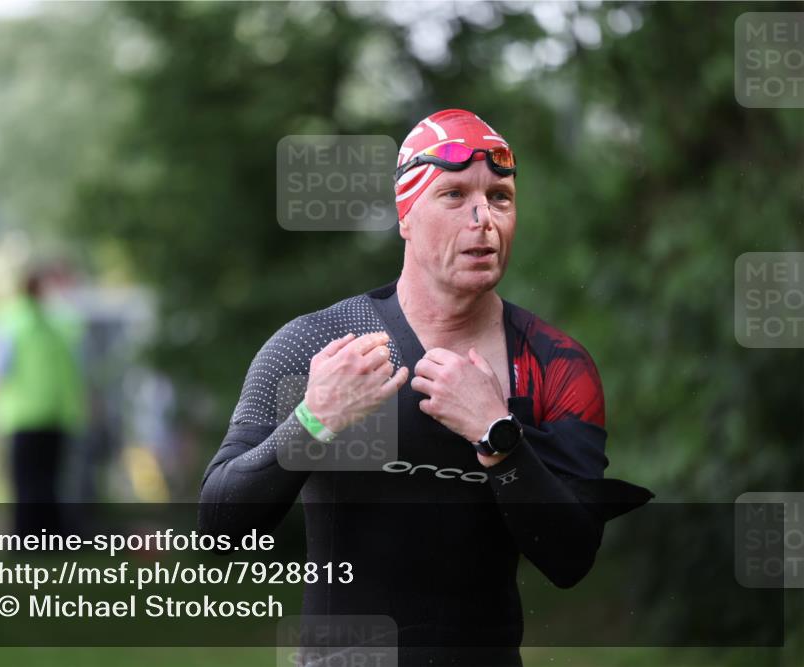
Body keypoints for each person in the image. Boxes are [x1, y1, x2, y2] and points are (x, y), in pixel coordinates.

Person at [199, 109, 653, 666]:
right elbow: (220, 531)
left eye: (501, 198)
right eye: (454, 195)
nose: (483, 218)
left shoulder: (553, 366)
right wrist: (314, 420)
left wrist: (498, 437)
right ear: (406, 215)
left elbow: (571, 559)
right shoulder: (320, 346)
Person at [0, 267, 85, 537]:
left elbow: (0, 368)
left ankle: (26, 537)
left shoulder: (9, 322)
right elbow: (77, 369)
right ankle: (50, 538)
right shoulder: (63, 324)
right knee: (50, 482)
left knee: (25, 483)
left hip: (21, 415)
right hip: (57, 414)